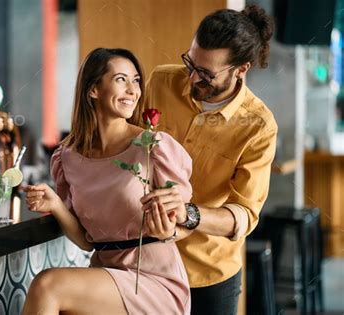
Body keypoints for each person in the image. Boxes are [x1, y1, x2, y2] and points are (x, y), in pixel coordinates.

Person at [22, 48, 194, 314]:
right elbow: (87, 242)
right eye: (121, 80)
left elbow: (186, 222)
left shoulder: (153, 148)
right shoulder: (66, 158)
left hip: (153, 281)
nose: (132, 90)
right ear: (93, 90)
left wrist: (169, 231)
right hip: (106, 275)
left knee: (48, 285)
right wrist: (55, 204)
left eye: (136, 80)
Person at [141, 5, 278, 315]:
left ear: (241, 69)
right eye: (190, 62)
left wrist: (188, 214)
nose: (191, 77)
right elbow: (131, 146)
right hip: (145, 261)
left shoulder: (258, 126)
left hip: (208, 275)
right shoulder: (161, 82)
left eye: (205, 73)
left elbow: (244, 215)